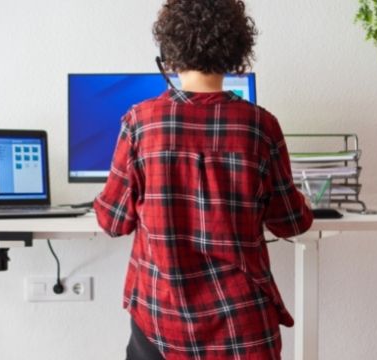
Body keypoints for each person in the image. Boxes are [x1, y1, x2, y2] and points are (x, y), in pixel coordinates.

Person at [93, 1, 314, 359]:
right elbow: (291, 223)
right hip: (242, 328)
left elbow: (113, 222)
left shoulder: (140, 123)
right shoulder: (261, 126)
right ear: (237, 50)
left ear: (169, 52)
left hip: (161, 320)